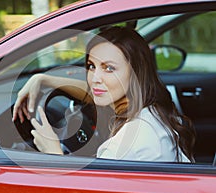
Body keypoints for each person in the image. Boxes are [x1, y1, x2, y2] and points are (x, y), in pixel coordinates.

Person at [12, 26, 196, 162]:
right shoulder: (151, 109)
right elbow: (97, 91)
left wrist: (53, 154)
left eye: (109, 68)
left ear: (136, 74)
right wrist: (44, 79)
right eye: (92, 66)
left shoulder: (125, 145)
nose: (94, 78)